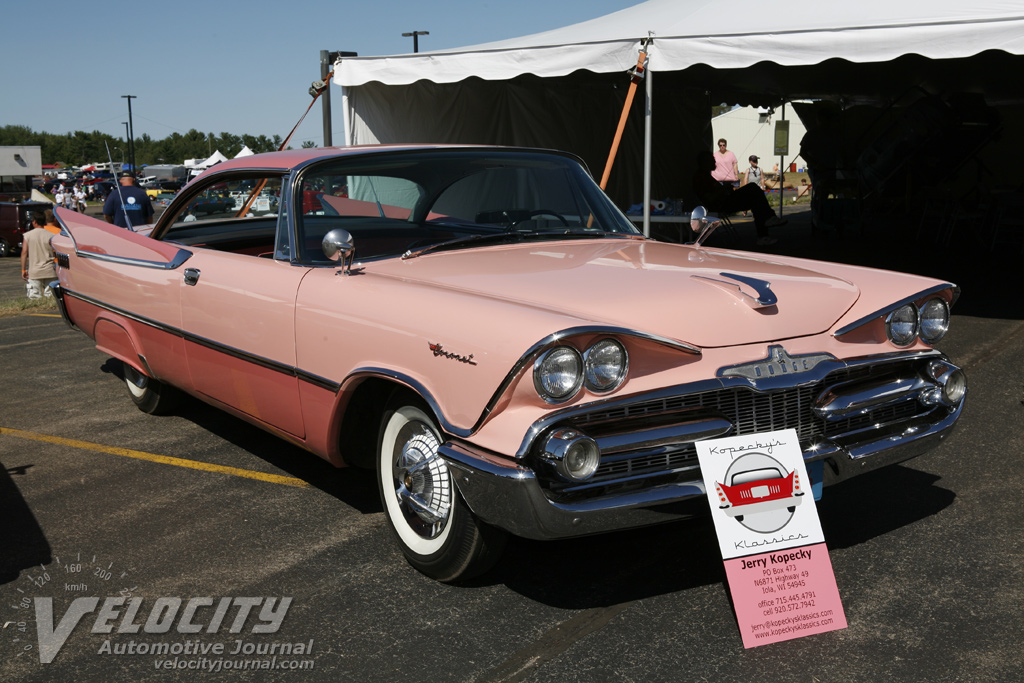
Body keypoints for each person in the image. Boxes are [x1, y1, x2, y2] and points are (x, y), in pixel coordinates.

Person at [692, 150, 786, 246]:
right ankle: (768, 220)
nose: (714, 162)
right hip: (721, 205)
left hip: (725, 201)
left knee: (756, 201)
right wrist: (723, 190)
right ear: (705, 162)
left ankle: (764, 235)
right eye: (712, 160)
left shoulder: (706, 175)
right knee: (752, 187)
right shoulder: (701, 178)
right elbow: (709, 198)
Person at [20, 211, 56, 299]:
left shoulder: (28, 235)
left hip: (35, 271)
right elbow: (56, 252)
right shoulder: (51, 235)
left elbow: (24, 252)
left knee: (34, 297)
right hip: (50, 270)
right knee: (51, 297)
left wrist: (23, 270)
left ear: (34, 222)